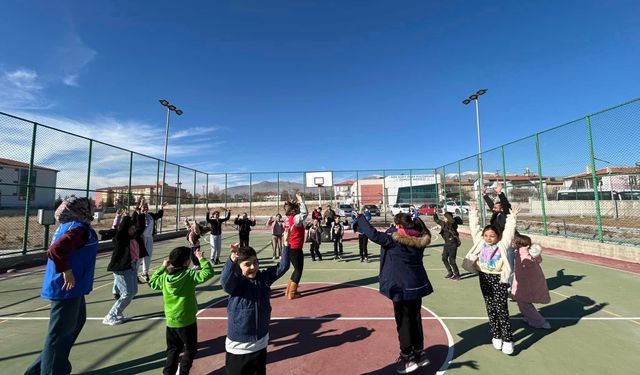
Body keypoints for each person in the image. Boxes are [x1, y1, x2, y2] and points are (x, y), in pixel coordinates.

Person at [25, 196, 98, 375]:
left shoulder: (71, 227)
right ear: (81, 210)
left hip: (74, 287)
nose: (94, 208)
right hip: (66, 288)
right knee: (59, 335)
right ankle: (51, 371)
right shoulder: (78, 230)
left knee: (74, 324)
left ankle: (37, 370)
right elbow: (56, 250)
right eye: (91, 206)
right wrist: (67, 271)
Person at [352, 212, 432, 374]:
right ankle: (420, 353)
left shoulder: (394, 241)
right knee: (415, 319)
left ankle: (407, 357)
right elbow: (422, 230)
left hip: (401, 287)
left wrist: (360, 217)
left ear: (400, 227)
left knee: (403, 322)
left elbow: (372, 234)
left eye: (397, 226)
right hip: (416, 285)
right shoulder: (421, 239)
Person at [221, 230, 292, 375]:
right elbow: (225, 282)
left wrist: (286, 243)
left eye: (255, 262)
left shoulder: (264, 278)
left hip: (260, 344)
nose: (253, 267)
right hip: (238, 347)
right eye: (247, 264)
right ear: (239, 266)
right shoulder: (236, 283)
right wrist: (231, 260)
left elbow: (283, 266)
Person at [462, 201, 521, 355]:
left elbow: (509, 231)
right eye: (486, 235)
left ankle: (508, 339)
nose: (488, 238)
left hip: (499, 279)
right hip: (484, 277)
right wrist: (473, 212)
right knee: (490, 307)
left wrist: (512, 216)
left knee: (502, 309)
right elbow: (474, 229)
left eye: (492, 236)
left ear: (498, 236)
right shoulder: (480, 242)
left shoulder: (503, 244)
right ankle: (496, 335)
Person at [148, 246, 214, 375]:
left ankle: (168, 372)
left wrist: (162, 267)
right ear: (186, 262)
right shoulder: (188, 275)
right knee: (191, 348)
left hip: (171, 321)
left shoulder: (164, 278)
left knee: (173, 349)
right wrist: (202, 259)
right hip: (187, 320)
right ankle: (183, 372)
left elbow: (152, 282)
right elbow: (208, 273)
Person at [104, 215, 144, 325]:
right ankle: (110, 315)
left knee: (133, 291)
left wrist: (139, 213)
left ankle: (118, 313)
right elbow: (121, 229)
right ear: (126, 228)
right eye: (131, 228)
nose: (134, 230)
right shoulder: (121, 238)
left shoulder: (134, 237)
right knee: (127, 293)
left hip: (131, 267)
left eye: (134, 228)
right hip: (121, 268)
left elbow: (140, 228)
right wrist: (125, 217)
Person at [511, 233, 551, 329]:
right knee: (523, 302)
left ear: (518, 243)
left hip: (525, 285)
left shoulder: (522, 254)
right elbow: (539, 260)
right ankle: (529, 317)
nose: (511, 243)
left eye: (513, 241)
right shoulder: (529, 252)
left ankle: (539, 322)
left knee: (523, 303)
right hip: (530, 283)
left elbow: (525, 268)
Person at [134, 199, 166, 283]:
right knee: (140, 257)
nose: (145, 208)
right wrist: (139, 209)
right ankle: (134, 274)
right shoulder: (138, 216)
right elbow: (136, 221)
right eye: (143, 207)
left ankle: (145, 273)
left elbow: (159, 215)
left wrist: (161, 207)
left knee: (148, 256)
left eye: (146, 207)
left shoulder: (150, 215)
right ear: (140, 208)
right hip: (141, 238)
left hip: (149, 238)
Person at [284, 193, 308, 299]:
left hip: (289, 246)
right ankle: (292, 293)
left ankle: (288, 291)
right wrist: (301, 201)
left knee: (296, 269)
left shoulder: (287, 219)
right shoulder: (295, 219)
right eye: (297, 208)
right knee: (298, 270)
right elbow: (305, 213)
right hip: (295, 247)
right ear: (294, 210)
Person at [433, 208, 461, 280]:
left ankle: (457, 275)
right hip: (447, 244)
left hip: (453, 243)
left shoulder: (453, 224)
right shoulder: (443, 223)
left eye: (445, 217)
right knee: (444, 258)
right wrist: (434, 213)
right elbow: (436, 220)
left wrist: (445, 212)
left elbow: (451, 220)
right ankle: (450, 272)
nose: (444, 218)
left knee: (452, 260)